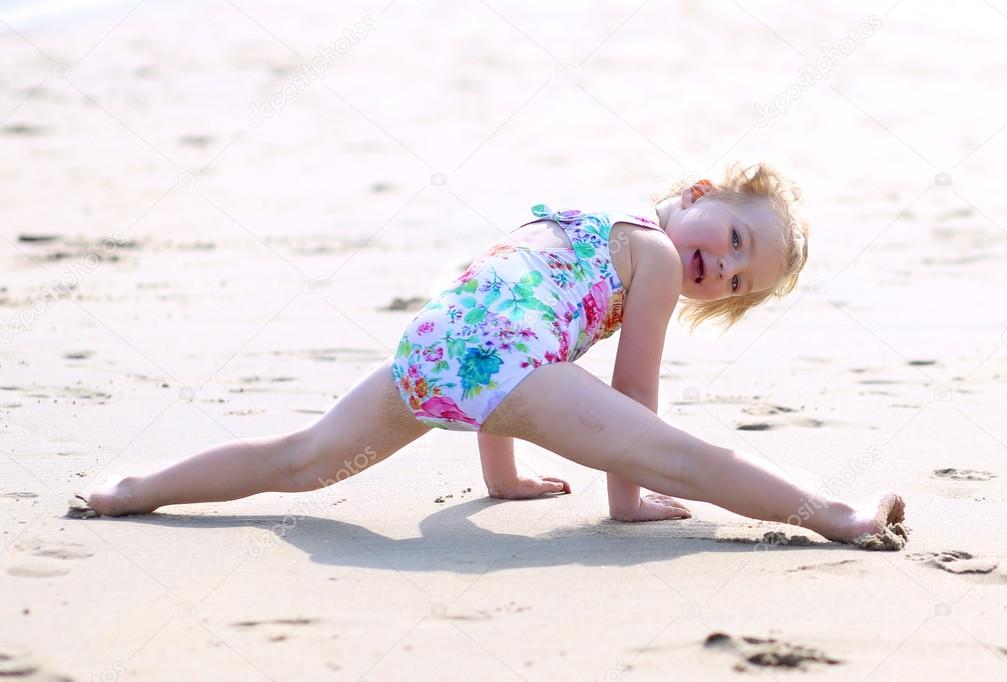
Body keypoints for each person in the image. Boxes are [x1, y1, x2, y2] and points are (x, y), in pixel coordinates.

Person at [77, 160, 907, 549]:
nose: (719, 268)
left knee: (301, 460)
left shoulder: (587, 217)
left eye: (734, 281)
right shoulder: (650, 256)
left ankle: (135, 489)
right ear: (696, 193)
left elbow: (503, 319)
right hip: (498, 360)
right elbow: (634, 392)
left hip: (434, 347)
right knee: (686, 459)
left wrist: (502, 480)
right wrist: (630, 495)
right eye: (731, 239)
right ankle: (836, 517)